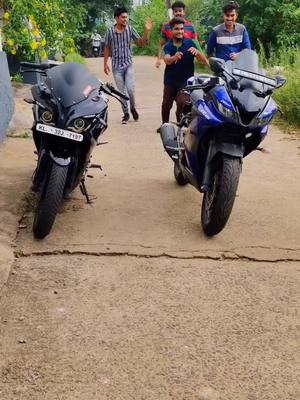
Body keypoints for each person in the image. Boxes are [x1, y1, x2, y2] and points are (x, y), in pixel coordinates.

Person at [104, 7, 153, 124]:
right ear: (116, 18)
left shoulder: (130, 29)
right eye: (123, 17)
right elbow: (106, 47)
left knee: (130, 89)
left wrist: (146, 31)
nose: (125, 19)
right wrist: (105, 63)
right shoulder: (110, 32)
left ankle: (133, 108)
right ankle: (126, 113)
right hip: (116, 67)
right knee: (121, 92)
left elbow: (141, 43)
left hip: (128, 65)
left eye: (126, 17)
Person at [160, 17, 208, 126]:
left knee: (183, 102)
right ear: (171, 31)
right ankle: (164, 125)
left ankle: (181, 123)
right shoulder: (168, 45)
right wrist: (174, 57)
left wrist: (197, 53)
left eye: (182, 29)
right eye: (177, 29)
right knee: (166, 104)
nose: (180, 31)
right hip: (170, 80)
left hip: (186, 81)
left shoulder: (190, 42)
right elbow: (167, 60)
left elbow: (203, 60)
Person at [155, 1, 198, 69]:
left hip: (188, 65)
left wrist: (201, 59)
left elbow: (196, 45)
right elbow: (162, 44)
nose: (178, 13)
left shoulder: (191, 26)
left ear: (184, 12)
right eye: (176, 11)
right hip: (171, 64)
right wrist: (158, 60)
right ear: (173, 13)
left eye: (180, 10)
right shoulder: (166, 26)